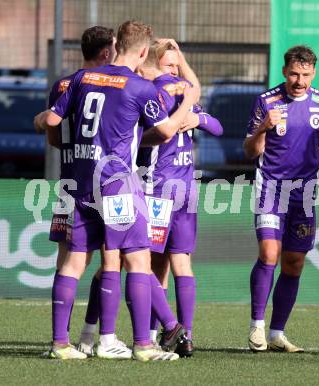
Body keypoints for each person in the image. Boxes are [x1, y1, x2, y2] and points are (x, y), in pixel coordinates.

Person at [35, 20, 199, 361]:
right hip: (117, 185)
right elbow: (167, 131)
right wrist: (189, 103)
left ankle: (60, 344)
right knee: (137, 260)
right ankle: (142, 345)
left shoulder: (81, 79)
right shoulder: (140, 87)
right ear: (142, 51)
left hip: (77, 183)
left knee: (72, 263)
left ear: (116, 45)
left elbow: (52, 122)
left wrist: (47, 126)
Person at [243, 45, 319, 353]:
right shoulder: (267, 102)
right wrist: (263, 128)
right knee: (269, 253)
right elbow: (250, 151)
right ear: (284, 72)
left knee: (294, 263)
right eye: (294, 73)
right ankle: (257, 327)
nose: (299, 80)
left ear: (313, 73)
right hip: (271, 189)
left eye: (305, 74)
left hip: (304, 195)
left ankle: (277, 333)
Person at [35, 26, 133, 359]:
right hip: (107, 181)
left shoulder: (64, 83)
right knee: (110, 257)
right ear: (107, 53)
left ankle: (59, 339)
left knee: (68, 261)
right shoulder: (117, 85)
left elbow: (51, 131)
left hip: (69, 181)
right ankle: (99, 337)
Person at [137, 40, 223, 357]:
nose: (175, 71)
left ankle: (181, 333)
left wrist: (198, 118)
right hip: (162, 189)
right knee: (158, 263)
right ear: (153, 66)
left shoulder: (178, 95)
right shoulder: (165, 94)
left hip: (170, 191)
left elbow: (216, 125)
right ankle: (162, 333)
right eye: (169, 65)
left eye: (177, 65)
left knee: (165, 263)